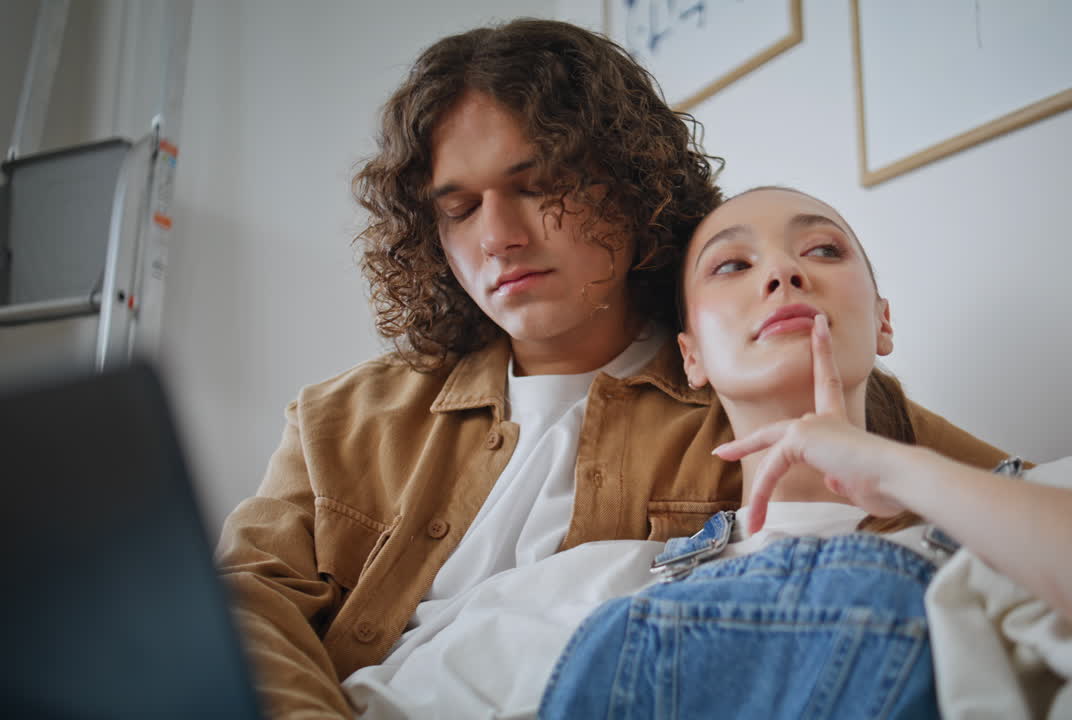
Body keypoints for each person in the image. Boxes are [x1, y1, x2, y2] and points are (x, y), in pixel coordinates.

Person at [214, 20, 1008, 719]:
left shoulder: (766, 388)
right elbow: (242, 608)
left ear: (634, 187)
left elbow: (1028, 513)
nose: (498, 237)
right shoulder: (339, 422)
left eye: (538, 187)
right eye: (458, 208)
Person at [341, 187, 1072, 719]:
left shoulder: (1051, 512)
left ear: (885, 324)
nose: (784, 271)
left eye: (820, 249)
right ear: (692, 359)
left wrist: (901, 473)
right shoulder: (589, 586)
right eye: (732, 265)